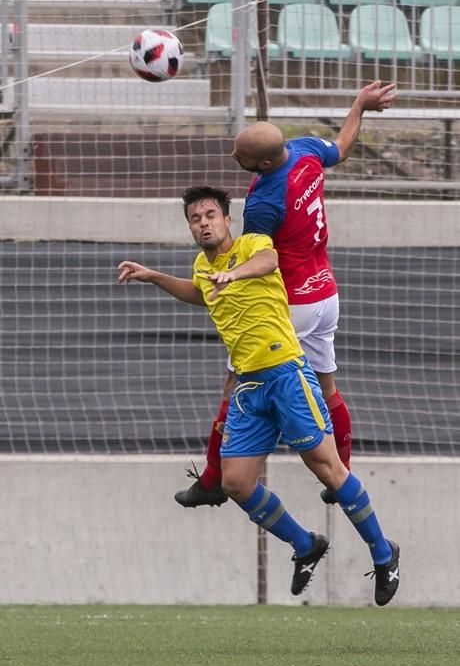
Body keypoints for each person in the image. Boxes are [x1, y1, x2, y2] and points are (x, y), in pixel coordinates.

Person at [117, 185, 400, 606]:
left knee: (327, 468)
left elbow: (270, 262)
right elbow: (200, 294)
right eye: (195, 218)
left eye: (211, 215)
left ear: (228, 219)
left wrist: (235, 272)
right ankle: (306, 545)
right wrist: (154, 276)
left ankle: (383, 553)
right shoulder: (201, 264)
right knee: (236, 483)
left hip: (286, 373)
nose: (203, 223)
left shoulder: (253, 243)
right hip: (250, 385)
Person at [174, 80, 397, 510]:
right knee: (328, 386)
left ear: (259, 163)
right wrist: (359, 106)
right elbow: (342, 147)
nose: (232, 155)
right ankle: (341, 476)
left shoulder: (261, 204)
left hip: (291, 304)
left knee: (234, 383)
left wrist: (224, 275)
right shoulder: (306, 149)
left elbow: (260, 257)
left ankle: (214, 477)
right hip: (325, 292)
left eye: (238, 154)